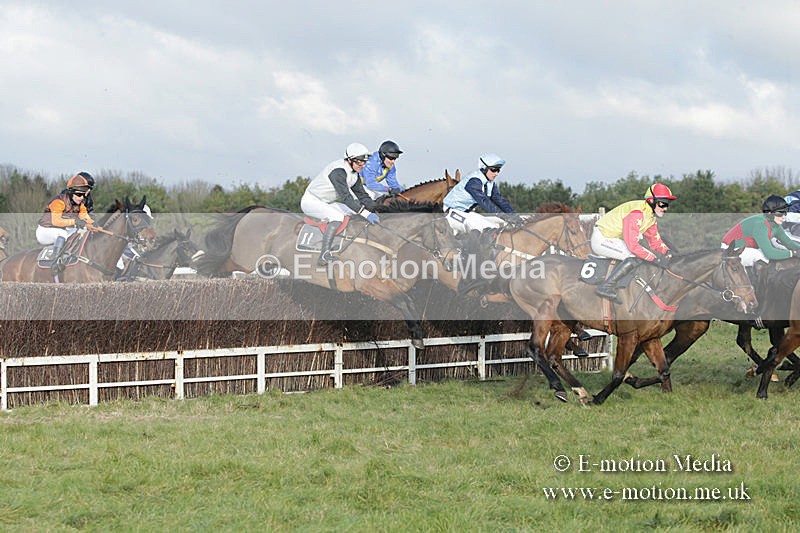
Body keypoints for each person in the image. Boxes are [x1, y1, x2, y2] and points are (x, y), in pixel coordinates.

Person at [592, 183, 676, 302]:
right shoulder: (637, 213)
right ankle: (605, 286)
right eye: (663, 203)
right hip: (602, 238)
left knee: (640, 256)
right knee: (633, 257)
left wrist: (667, 251)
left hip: (614, 239)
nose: (665, 208)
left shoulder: (650, 216)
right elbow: (632, 246)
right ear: (651, 200)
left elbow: (655, 241)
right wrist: (655, 259)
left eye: (668, 204)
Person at [300, 143, 381, 265]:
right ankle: (324, 254)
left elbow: (363, 196)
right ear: (349, 160)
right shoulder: (338, 172)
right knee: (338, 217)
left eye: (364, 162)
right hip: (311, 201)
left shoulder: (354, 174)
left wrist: (376, 209)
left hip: (326, 202)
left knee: (354, 212)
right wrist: (366, 214)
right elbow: (347, 198)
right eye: (359, 162)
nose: (362, 165)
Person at [721, 194, 800, 267]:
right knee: (762, 257)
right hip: (730, 250)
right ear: (769, 213)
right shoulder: (761, 224)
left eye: (785, 213)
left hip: (746, 248)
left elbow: (789, 243)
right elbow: (769, 253)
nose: (783, 217)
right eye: (780, 214)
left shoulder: (775, 224)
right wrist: (792, 253)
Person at [36, 173, 97, 266]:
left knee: (80, 232)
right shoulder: (58, 202)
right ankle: (55, 262)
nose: (82, 197)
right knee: (63, 234)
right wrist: (76, 221)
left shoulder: (80, 205)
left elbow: (86, 218)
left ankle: (71, 256)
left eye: (84, 195)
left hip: (61, 229)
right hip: (45, 231)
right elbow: (56, 221)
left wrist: (96, 225)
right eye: (79, 195)